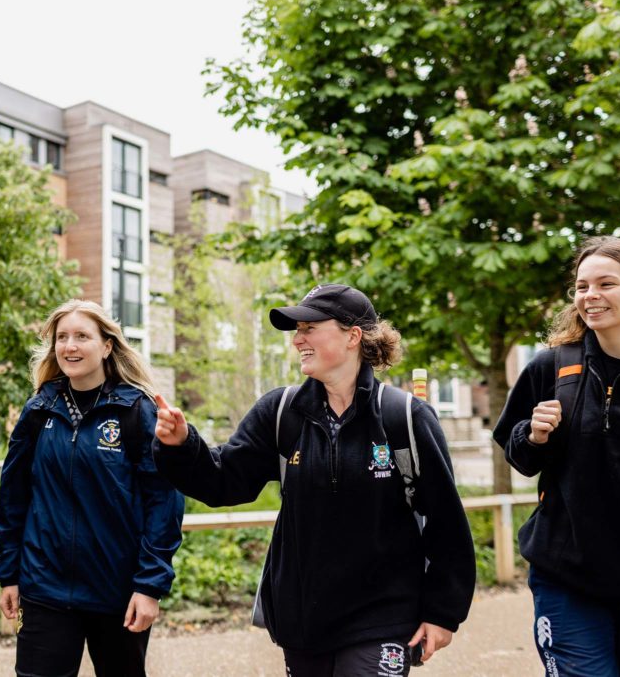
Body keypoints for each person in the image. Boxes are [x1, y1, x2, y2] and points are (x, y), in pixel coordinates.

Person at [153, 284, 475, 677]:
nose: (297, 340)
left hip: (383, 617)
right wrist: (182, 445)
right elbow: (223, 481)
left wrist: (443, 612)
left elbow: (447, 524)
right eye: (296, 330)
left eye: (309, 328)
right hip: (304, 624)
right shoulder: (281, 412)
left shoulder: (403, 416)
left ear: (352, 336)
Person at [493, 236, 620, 677]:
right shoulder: (550, 367)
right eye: (582, 287)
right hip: (568, 577)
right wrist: (534, 436)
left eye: (606, 284)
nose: (591, 296)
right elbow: (520, 456)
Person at [0, 300, 184, 677]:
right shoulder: (38, 411)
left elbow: (163, 503)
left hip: (117, 593)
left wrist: (149, 585)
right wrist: (9, 575)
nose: (70, 346)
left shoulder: (136, 412)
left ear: (107, 346)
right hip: (43, 587)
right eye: (62, 338)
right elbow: (13, 497)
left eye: (82, 336)